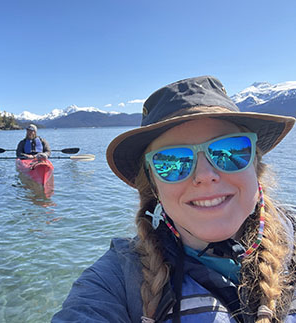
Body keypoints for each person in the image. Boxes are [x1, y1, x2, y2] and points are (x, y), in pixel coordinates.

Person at [52, 76, 296, 322]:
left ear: (256, 166)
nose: (205, 175)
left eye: (229, 151)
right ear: (154, 186)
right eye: (172, 161)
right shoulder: (115, 281)